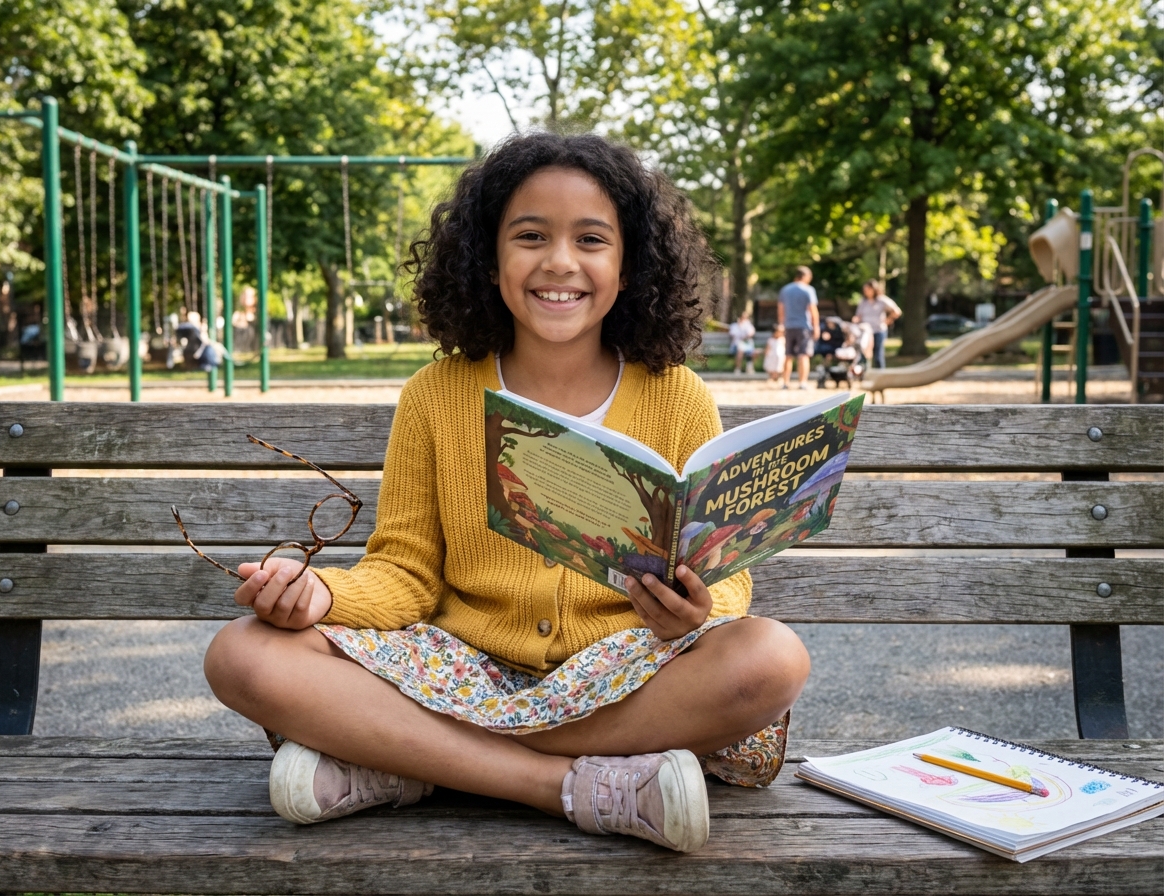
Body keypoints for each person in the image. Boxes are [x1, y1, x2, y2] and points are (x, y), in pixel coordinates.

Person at [203, 133, 809, 854]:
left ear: (628, 265)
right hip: (461, 665)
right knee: (242, 655)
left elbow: (725, 571)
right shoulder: (436, 394)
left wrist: (700, 611)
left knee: (773, 659)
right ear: (488, 260)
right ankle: (570, 788)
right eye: (530, 236)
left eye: (591, 239)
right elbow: (405, 571)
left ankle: (412, 762)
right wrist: (322, 597)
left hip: (625, 666)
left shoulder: (678, 397)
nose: (559, 261)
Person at [777, 265, 819, 389]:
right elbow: (813, 310)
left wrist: (781, 324)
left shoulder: (785, 289)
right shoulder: (808, 290)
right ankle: (802, 382)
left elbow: (781, 309)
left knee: (788, 355)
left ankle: (785, 382)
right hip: (803, 326)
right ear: (805, 276)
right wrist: (816, 326)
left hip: (789, 326)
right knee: (803, 355)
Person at [853, 279, 901, 369]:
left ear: (873, 289)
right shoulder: (863, 301)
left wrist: (888, 321)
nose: (865, 292)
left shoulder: (881, 300)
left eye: (867, 289)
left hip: (878, 330)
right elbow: (858, 315)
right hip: (866, 332)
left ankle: (880, 375)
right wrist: (856, 320)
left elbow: (897, 311)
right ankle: (865, 374)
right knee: (864, 354)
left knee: (878, 354)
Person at [728, 307, 757, 374]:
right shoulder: (734, 326)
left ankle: (749, 367)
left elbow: (751, 333)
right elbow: (732, 334)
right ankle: (738, 368)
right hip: (736, 345)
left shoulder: (748, 326)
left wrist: (746, 335)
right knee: (740, 350)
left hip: (747, 345)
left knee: (755, 352)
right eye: (743, 317)